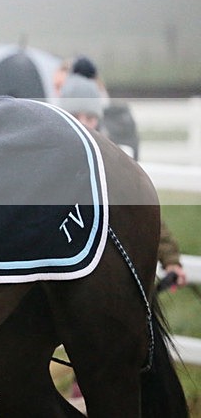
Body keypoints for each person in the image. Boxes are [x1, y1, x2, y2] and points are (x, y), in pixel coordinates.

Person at [57, 73, 188, 287]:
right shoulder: (54, 159)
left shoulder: (111, 160)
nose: (84, 124)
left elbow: (142, 210)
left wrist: (171, 260)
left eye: (90, 117)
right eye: (76, 115)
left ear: (98, 118)